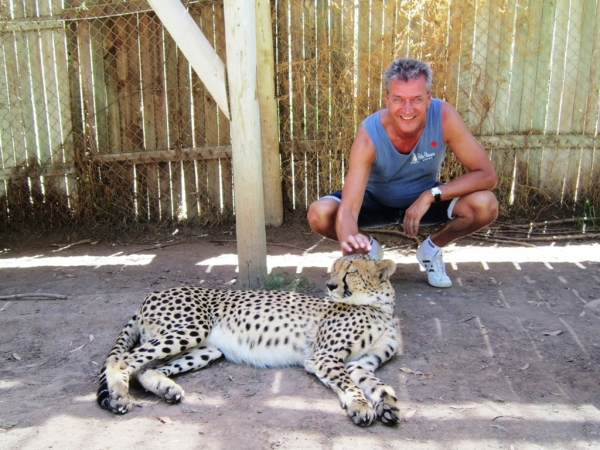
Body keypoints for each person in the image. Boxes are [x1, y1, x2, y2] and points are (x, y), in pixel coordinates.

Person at [307, 57, 498, 288]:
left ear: (428, 99)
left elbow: (487, 175)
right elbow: (348, 208)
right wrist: (353, 248)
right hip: (375, 201)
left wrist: (430, 195)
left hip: (424, 201)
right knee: (320, 213)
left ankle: (431, 250)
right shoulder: (370, 133)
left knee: (485, 204)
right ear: (387, 100)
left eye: (416, 99)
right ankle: (371, 250)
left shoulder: (444, 116)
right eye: (398, 99)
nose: (407, 109)